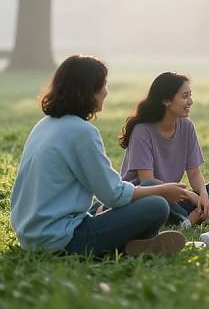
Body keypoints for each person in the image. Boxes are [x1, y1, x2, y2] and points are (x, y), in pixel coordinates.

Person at [10, 55, 188, 257]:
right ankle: (129, 247)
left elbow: (108, 192)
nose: (106, 91)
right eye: (102, 85)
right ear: (87, 91)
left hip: (31, 235)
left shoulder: (44, 125)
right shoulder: (82, 132)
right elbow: (114, 195)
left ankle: (132, 246)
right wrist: (164, 190)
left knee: (147, 188)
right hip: (62, 239)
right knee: (157, 204)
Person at [120, 72, 209, 228]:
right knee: (153, 192)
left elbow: (194, 173)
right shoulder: (142, 131)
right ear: (166, 100)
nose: (190, 101)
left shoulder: (186, 126)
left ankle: (186, 219)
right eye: (185, 96)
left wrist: (204, 196)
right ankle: (192, 219)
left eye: (190, 95)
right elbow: (147, 180)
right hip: (145, 197)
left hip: (175, 198)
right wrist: (187, 194)